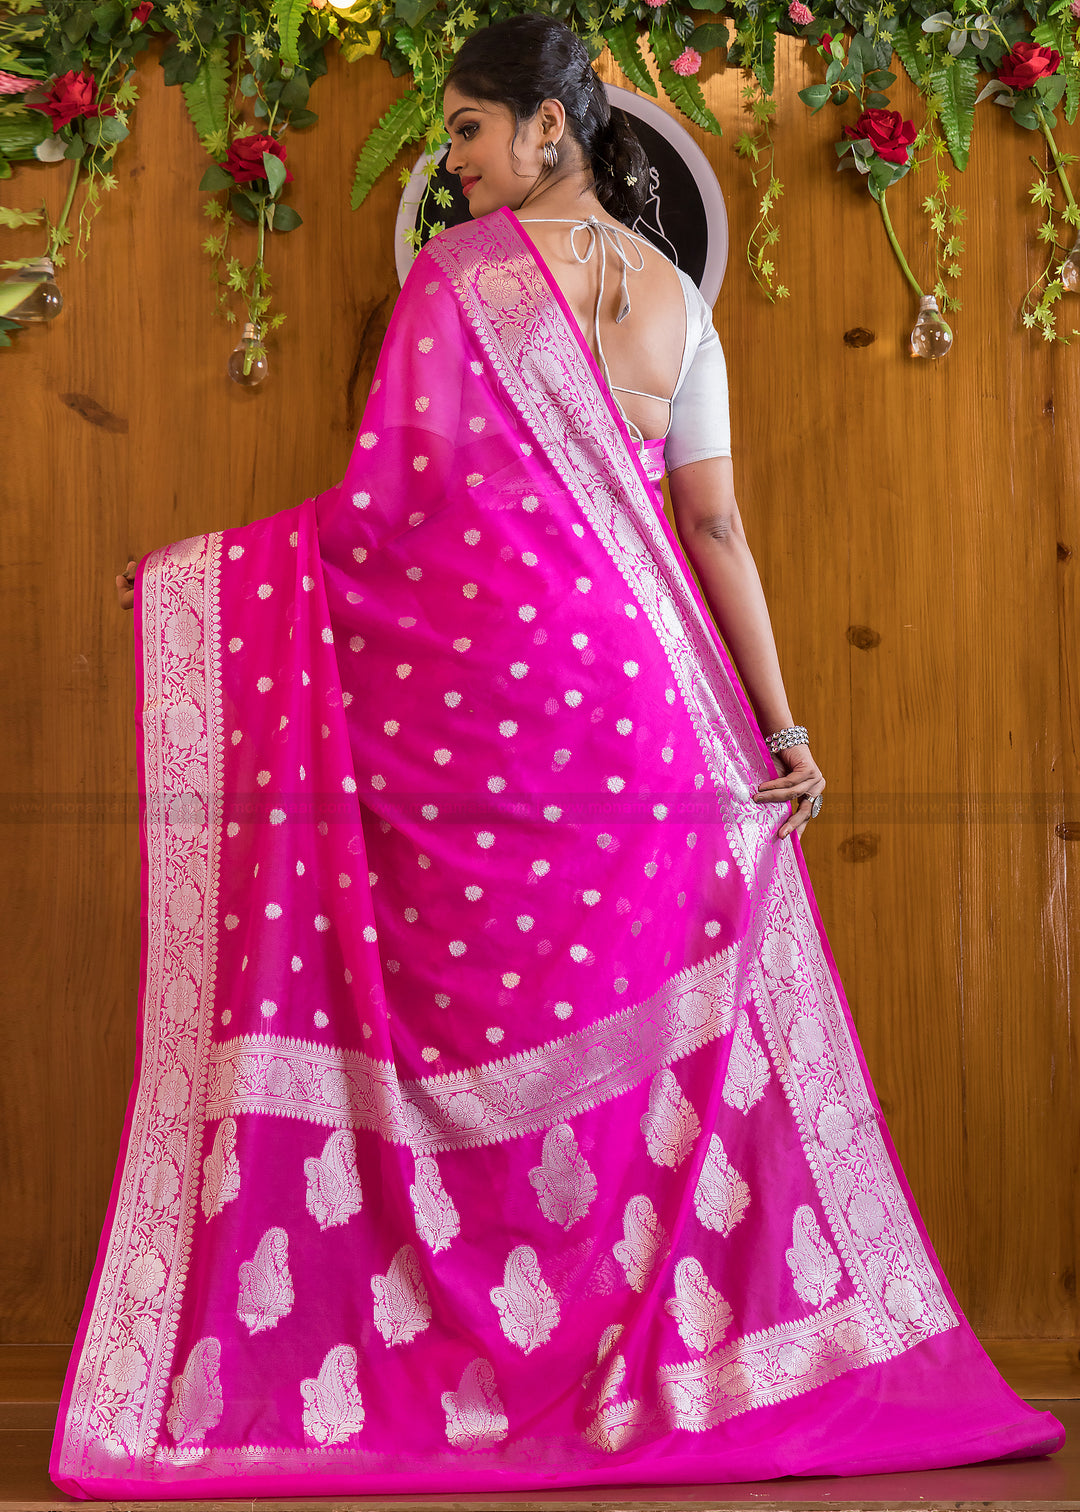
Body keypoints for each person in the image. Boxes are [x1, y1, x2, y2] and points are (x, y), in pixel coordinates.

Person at [58, 15, 1060, 1499]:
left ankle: (493, 1373)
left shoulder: (456, 287)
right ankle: (626, 1365)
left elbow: (398, 521)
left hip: (492, 725)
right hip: (651, 722)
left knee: (483, 1030)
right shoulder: (674, 300)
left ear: (551, 128)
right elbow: (710, 531)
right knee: (641, 1070)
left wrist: (204, 583)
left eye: (468, 130)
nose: (451, 163)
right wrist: (777, 730)